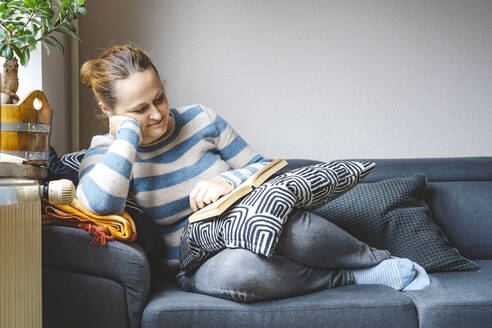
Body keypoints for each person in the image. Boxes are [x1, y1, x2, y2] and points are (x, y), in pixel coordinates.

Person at [77, 45, 429, 303]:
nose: (157, 114)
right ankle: (351, 276)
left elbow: (266, 167)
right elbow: (99, 205)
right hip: (200, 261)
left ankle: (378, 262)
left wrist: (226, 180)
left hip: (249, 221)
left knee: (297, 228)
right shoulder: (108, 152)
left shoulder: (201, 119)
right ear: (109, 110)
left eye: (160, 98)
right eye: (140, 109)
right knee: (244, 275)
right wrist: (126, 136)